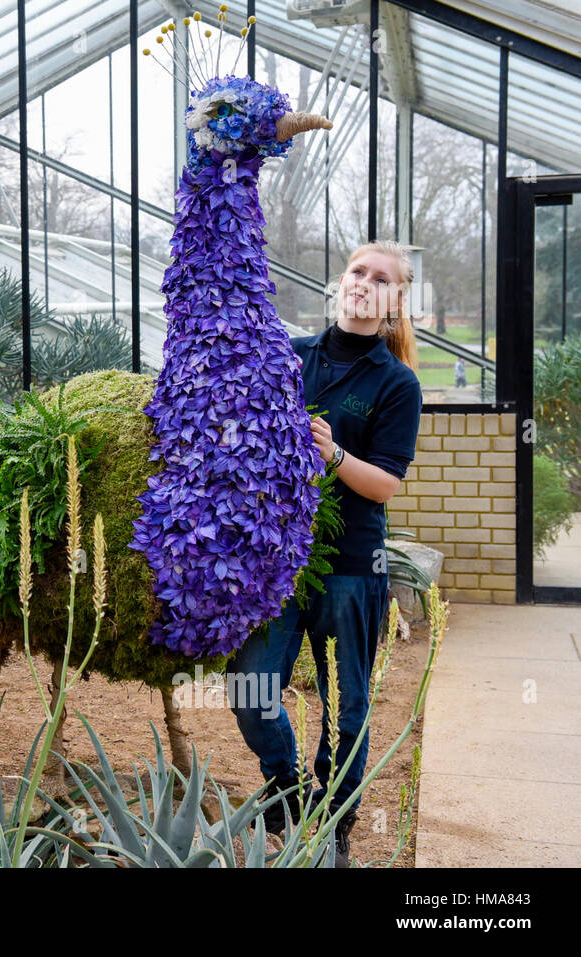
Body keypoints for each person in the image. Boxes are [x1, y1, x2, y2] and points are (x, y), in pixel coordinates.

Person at [226, 239, 423, 866]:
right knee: (253, 689)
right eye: (357, 271)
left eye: (380, 278)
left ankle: (336, 820)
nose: (364, 282)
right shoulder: (291, 356)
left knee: (345, 706)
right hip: (277, 562)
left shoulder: (396, 384)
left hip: (348, 566)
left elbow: (386, 484)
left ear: (395, 301)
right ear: (341, 283)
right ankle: (287, 789)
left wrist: (333, 456)